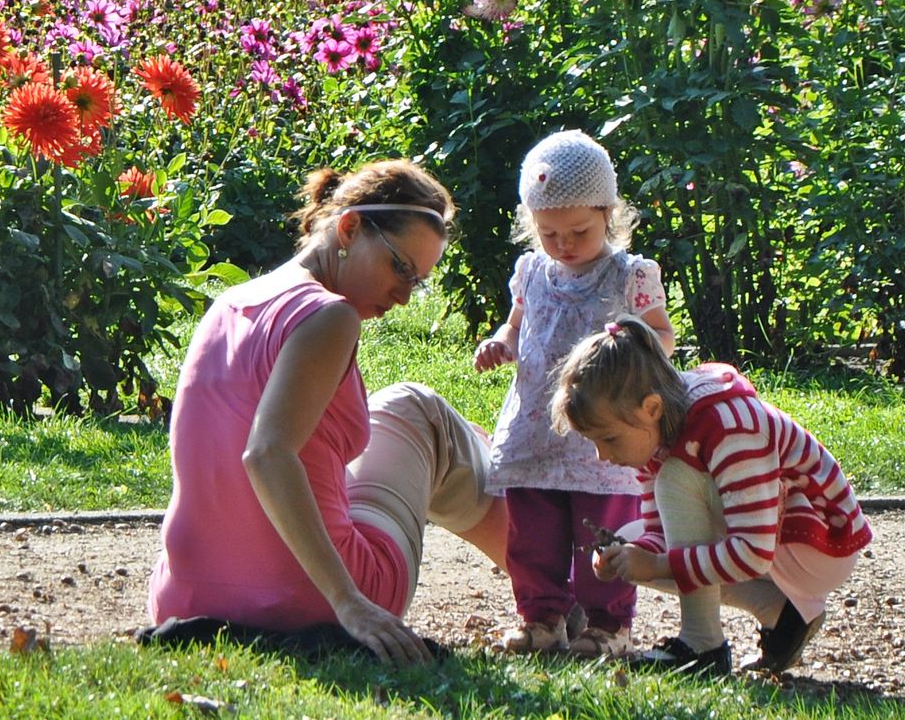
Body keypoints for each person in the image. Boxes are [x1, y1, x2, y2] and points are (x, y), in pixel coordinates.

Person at [148, 159, 508, 666]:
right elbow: (266, 452)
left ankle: (519, 503)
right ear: (350, 227)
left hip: (186, 598)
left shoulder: (229, 303)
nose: (405, 296)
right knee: (418, 409)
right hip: (318, 600)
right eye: (401, 268)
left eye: (419, 282)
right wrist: (349, 604)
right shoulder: (329, 316)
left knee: (401, 416)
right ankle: (559, 586)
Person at [550, 315, 873, 676]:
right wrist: (631, 556)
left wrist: (658, 564)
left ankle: (702, 646)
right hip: (775, 541)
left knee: (676, 479)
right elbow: (661, 532)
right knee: (630, 542)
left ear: (651, 407)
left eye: (608, 439)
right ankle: (782, 614)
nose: (603, 456)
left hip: (820, 544)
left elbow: (751, 552)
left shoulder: (728, 425)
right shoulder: (653, 433)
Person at [473, 130, 675, 654]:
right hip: (536, 429)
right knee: (531, 535)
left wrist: (633, 352)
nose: (563, 244)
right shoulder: (532, 271)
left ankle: (608, 624)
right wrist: (501, 342)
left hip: (599, 432)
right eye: (548, 232)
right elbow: (516, 324)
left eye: (578, 231)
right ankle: (541, 617)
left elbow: (663, 336)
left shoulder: (630, 275)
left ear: (608, 214)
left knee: (600, 531)